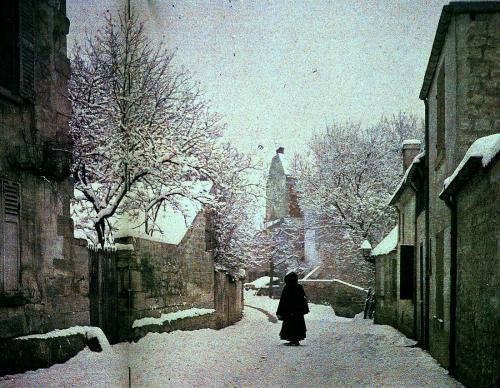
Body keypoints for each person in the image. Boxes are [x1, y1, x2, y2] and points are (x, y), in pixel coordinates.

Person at [276, 272, 309, 346]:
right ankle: (296, 339)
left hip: (288, 311)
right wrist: (303, 309)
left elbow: (283, 300)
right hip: (298, 312)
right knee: (298, 325)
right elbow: (303, 299)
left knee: (289, 325)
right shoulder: (299, 287)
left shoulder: (287, 287)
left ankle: (291, 339)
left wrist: (280, 311)